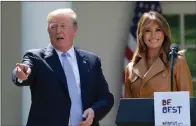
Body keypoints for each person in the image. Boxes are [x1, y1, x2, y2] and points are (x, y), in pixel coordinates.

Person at [12, 8, 114, 126]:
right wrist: (21, 74)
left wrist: (93, 111)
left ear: (75, 30)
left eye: (63, 26)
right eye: (53, 27)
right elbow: (24, 70)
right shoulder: (36, 57)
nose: (58, 31)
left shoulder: (92, 60)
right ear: (48, 30)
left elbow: (105, 97)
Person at [124, 11, 193, 98]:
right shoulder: (130, 68)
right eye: (147, 30)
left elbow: (187, 102)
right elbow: (128, 107)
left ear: (165, 33)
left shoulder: (177, 62)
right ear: (141, 35)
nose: (153, 35)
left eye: (158, 30)